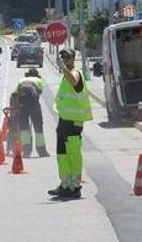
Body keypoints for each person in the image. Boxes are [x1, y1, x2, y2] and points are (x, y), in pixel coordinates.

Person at [49, 48, 92, 199]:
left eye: (67, 58)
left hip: (74, 122)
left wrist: (63, 68)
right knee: (62, 154)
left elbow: (73, 81)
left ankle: (74, 186)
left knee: (73, 153)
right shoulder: (66, 75)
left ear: (73, 58)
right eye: (63, 58)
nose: (65, 60)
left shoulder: (76, 73)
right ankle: (65, 184)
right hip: (64, 121)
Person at [16, 68, 48, 157]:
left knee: (24, 129)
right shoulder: (38, 80)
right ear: (36, 75)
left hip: (22, 105)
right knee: (38, 128)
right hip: (34, 105)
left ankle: (26, 151)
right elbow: (39, 92)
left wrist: (16, 109)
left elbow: (15, 94)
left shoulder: (21, 81)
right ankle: (42, 151)